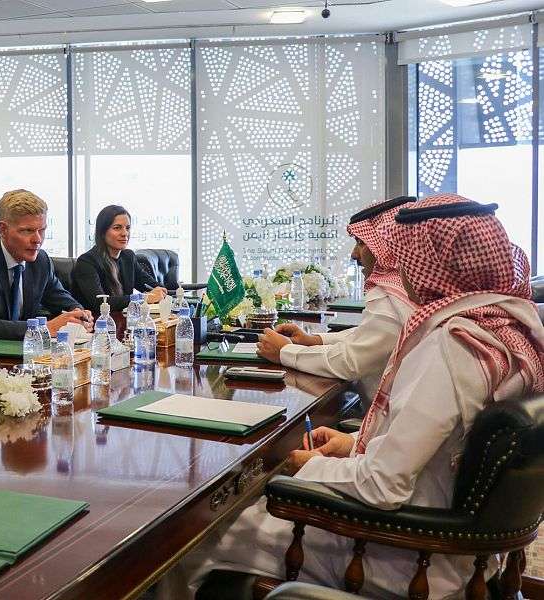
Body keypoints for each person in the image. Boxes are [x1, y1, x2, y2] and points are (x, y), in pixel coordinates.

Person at [163, 194, 544, 600]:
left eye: (407, 253)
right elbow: (443, 440)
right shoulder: (505, 331)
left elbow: (382, 486)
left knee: (190, 540)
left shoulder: (451, 347)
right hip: (464, 546)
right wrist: (354, 443)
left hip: (409, 551)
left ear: (431, 261)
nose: (400, 264)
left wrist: (308, 467)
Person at [256, 196, 417, 401]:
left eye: (361, 243)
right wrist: (314, 340)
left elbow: (350, 362)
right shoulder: (401, 290)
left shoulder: (392, 297)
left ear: (387, 244)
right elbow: (369, 335)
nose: (354, 254)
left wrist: (285, 351)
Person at [0, 189, 92, 346]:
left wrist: (78, 314)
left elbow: (62, 300)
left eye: (42, 230)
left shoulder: (40, 260)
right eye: (27, 231)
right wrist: (45, 328)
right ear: (3, 230)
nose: (37, 239)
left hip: (19, 352)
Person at [70, 205, 168, 313]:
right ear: (102, 232)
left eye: (127, 228)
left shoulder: (128, 257)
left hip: (125, 319)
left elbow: (151, 285)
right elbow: (100, 303)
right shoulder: (87, 262)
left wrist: (161, 291)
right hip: (96, 321)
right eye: (117, 228)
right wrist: (143, 298)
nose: (124, 233)